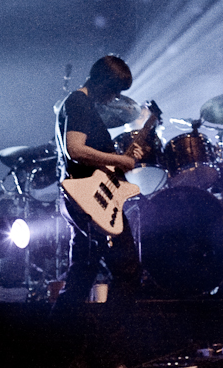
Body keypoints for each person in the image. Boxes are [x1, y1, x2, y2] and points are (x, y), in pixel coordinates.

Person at [53, 55, 145, 310]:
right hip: (92, 200)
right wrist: (118, 159)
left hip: (85, 198)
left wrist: (123, 159)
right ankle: (112, 338)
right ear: (101, 83)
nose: (115, 97)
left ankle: (55, 339)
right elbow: (75, 150)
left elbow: (91, 158)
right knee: (128, 272)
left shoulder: (80, 104)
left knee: (80, 278)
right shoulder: (79, 102)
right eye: (114, 91)